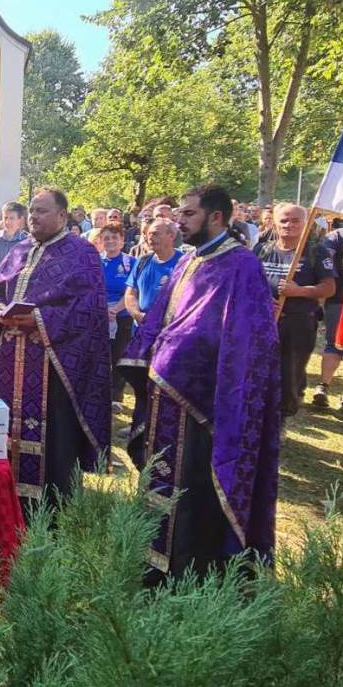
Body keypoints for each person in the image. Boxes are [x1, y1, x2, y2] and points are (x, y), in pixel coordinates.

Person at [120, 185, 280, 582]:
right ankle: (157, 559)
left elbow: (246, 342)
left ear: (217, 217)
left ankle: (193, 565)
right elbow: (162, 316)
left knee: (194, 485)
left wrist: (176, 359)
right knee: (164, 479)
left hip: (207, 402)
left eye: (189, 215)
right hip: (168, 395)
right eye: (180, 214)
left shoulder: (242, 266)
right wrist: (146, 356)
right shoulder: (189, 261)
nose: (180, 222)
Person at [0, 187, 112, 505]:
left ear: (62, 216)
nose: (33, 217)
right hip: (10, 361)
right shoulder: (21, 249)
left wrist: (40, 318)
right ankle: (4, 498)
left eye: (41, 211)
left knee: (52, 436)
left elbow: (87, 310)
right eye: (32, 211)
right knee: (6, 428)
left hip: (53, 363)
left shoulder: (81, 253)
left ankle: (48, 504)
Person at [256, 203, 336, 418]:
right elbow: (248, 282)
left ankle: (283, 417)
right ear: (274, 222)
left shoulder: (316, 251)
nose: (288, 225)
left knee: (289, 373)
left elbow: (329, 288)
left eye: (295, 221)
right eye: (283, 220)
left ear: (306, 224)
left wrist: (298, 291)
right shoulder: (262, 249)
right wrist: (261, 301)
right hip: (263, 320)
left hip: (298, 323)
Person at [313, 222, 343, 411]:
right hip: (340, 297)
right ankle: (323, 386)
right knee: (334, 343)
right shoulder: (338, 236)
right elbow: (325, 259)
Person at [99, 224, 135, 408]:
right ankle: (98, 393)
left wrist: (115, 309)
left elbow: (132, 289)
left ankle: (116, 396)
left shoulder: (131, 262)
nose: (110, 241)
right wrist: (103, 310)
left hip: (121, 316)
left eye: (115, 238)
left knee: (118, 356)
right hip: (99, 315)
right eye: (106, 238)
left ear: (122, 241)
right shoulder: (96, 261)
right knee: (99, 355)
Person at [124, 218, 182, 328]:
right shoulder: (142, 261)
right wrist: (138, 315)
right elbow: (130, 294)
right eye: (148, 234)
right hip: (141, 330)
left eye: (156, 234)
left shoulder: (184, 263)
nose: (150, 238)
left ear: (171, 236)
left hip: (169, 332)